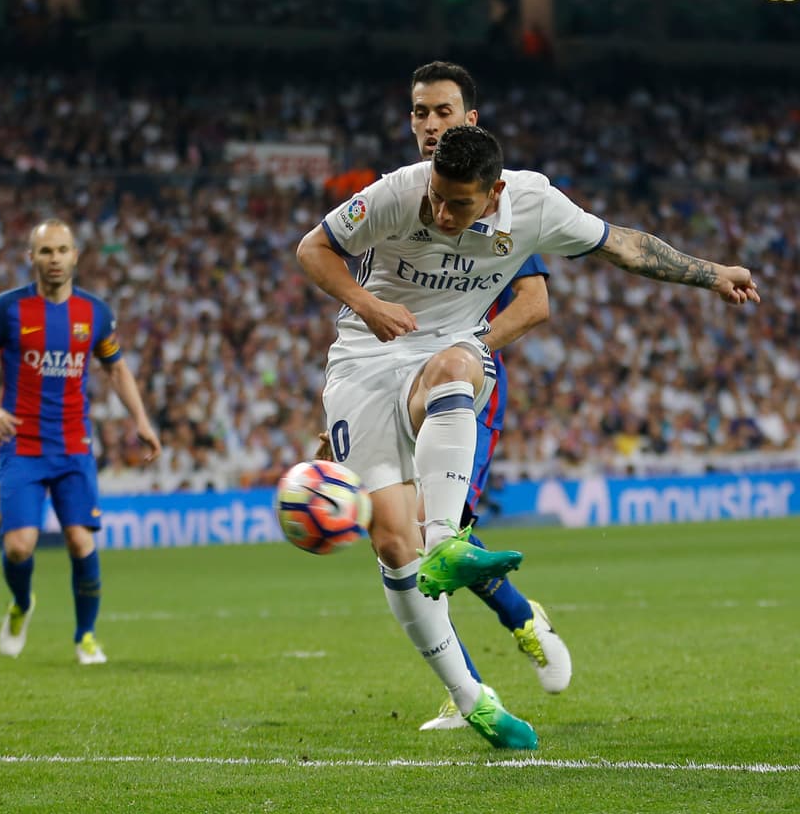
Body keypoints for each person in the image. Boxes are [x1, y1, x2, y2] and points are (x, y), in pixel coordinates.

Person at [296, 124, 756, 749]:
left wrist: (713, 273)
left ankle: (447, 542)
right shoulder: (399, 192)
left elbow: (624, 246)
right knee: (394, 545)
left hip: (446, 352)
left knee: (459, 366)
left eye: (458, 203)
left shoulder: (535, 204)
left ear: (494, 193)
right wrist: (369, 305)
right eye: (437, 197)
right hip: (363, 365)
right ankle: (473, 701)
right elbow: (313, 248)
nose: (442, 213)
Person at [408, 61, 570, 729]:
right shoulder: (400, 199)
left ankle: (509, 635)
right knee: (411, 538)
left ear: (469, 119)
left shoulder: (494, 203)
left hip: (462, 390)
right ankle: (481, 667)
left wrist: (463, 348)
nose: (430, 125)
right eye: (421, 112)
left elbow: (535, 302)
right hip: (397, 388)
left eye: (443, 112)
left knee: (438, 536)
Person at [0, 218, 161, 665]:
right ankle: (21, 603)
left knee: (80, 541)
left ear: (76, 256)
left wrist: (141, 419)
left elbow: (116, 367)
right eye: (46, 251)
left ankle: (86, 635)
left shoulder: (95, 313)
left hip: (73, 445)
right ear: (31, 257)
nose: (54, 259)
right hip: (22, 446)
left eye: (62, 250)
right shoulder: (8, 309)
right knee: (19, 546)